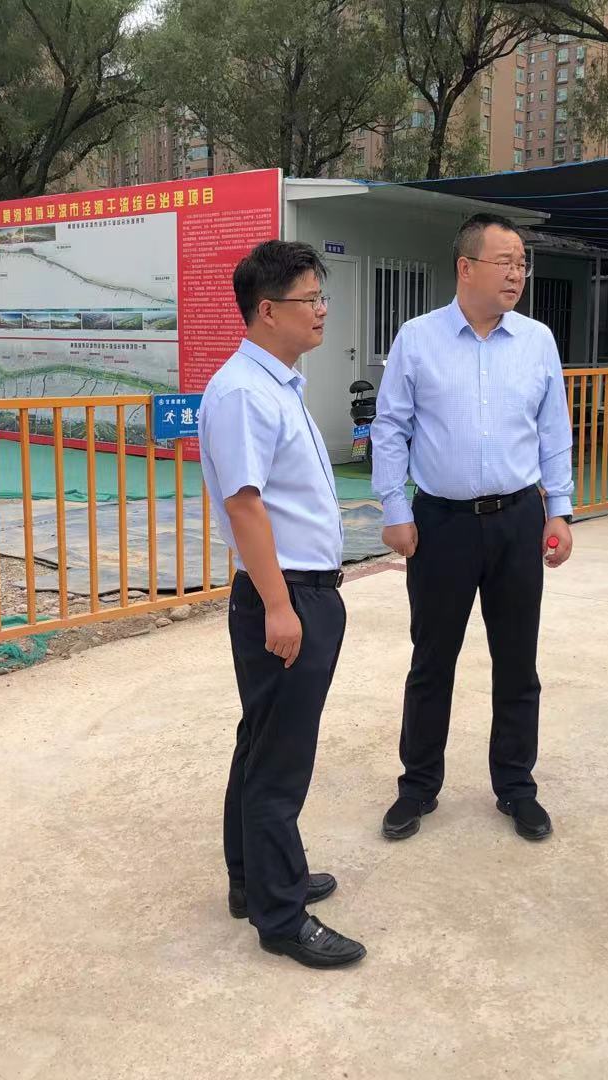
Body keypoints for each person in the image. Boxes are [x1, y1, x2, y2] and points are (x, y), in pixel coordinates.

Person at [370, 212, 574, 843]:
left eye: (522, 263)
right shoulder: (418, 338)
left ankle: (516, 786)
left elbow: (553, 430)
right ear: (466, 267)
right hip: (442, 524)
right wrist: (395, 509)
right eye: (504, 261)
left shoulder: (537, 341)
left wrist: (560, 509)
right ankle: (417, 785)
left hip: (518, 520)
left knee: (518, 662)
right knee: (432, 661)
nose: (517, 274)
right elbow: (391, 426)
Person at [199, 239, 366, 969]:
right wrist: (277, 605)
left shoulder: (277, 384)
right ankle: (281, 916)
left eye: (322, 296)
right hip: (285, 592)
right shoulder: (244, 391)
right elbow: (245, 505)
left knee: (263, 742)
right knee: (279, 761)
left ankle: (256, 879)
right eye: (310, 299)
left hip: (301, 590)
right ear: (268, 311)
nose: (322, 309)